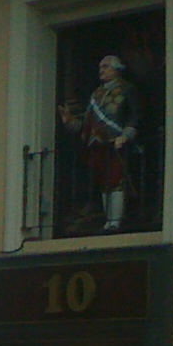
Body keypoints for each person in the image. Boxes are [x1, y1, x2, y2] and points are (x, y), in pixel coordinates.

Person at [58, 53, 140, 230]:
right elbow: (86, 125)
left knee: (117, 181)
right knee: (104, 183)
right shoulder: (96, 94)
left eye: (105, 67)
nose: (101, 70)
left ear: (117, 69)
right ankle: (108, 221)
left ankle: (115, 221)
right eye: (100, 67)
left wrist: (125, 136)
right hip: (97, 144)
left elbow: (134, 117)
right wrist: (70, 121)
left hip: (116, 142)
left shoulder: (127, 89)